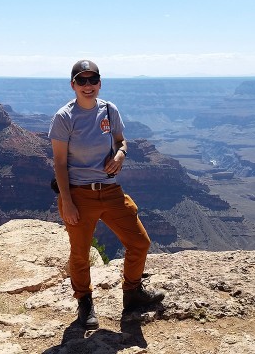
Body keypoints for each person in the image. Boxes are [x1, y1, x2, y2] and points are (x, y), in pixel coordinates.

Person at [48, 59, 165, 330]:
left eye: (92, 80)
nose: (87, 86)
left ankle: (132, 293)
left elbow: (121, 141)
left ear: (99, 83)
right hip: (79, 195)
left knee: (139, 242)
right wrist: (67, 202)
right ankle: (85, 302)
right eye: (82, 81)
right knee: (79, 253)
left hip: (111, 191)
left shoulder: (109, 110)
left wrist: (121, 155)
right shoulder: (64, 117)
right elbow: (59, 163)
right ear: (73, 85)